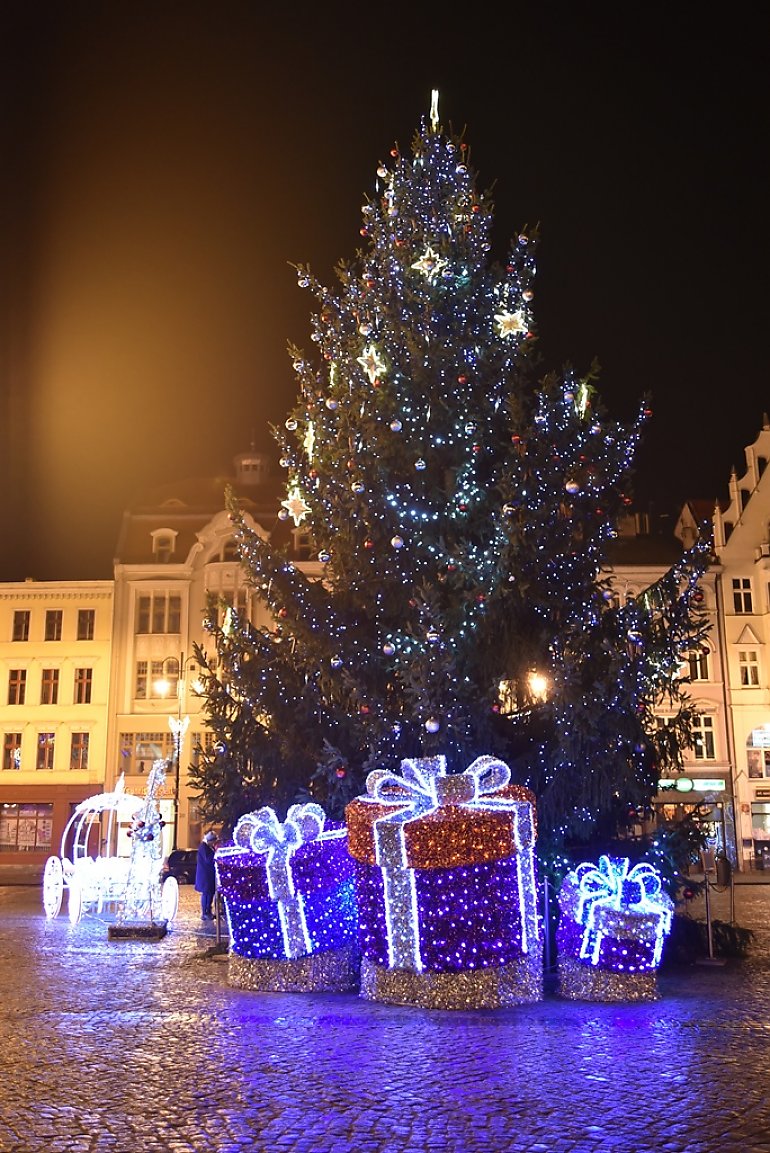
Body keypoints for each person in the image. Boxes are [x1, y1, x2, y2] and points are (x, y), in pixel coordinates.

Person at [195, 831, 218, 920]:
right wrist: (215, 854)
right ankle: (205, 913)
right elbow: (208, 860)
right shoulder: (204, 847)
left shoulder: (207, 847)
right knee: (207, 894)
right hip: (205, 876)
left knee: (209, 894)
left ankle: (208, 912)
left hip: (208, 876)